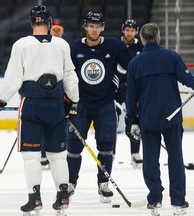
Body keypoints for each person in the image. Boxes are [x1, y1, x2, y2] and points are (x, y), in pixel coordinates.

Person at [0, 5, 79, 215]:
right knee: (58, 155)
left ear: (32, 22)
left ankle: (35, 199)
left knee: (31, 156)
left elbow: (13, 79)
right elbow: (70, 76)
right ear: (49, 22)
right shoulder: (61, 44)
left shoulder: (21, 45)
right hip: (56, 107)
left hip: (32, 105)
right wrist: (73, 101)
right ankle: (63, 197)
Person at [125, 23, 194, 216]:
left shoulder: (134, 63)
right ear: (158, 37)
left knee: (150, 160)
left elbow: (131, 96)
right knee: (175, 158)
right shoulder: (172, 56)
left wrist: (131, 118)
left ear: (142, 39)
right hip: (171, 117)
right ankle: (178, 201)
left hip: (148, 119)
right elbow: (188, 80)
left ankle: (155, 199)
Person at [66, 12, 132, 203]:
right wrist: (66, 98)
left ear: (102, 28)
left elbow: (132, 66)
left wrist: (124, 87)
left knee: (106, 146)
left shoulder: (114, 46)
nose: (94, 30)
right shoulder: (74, 48)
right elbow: (67, 73)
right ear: (85, 27)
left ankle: (103, 183)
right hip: (81, 104)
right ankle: (70, 183)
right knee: (74, 145)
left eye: (98, 26)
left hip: (105, 104)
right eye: (91, 26)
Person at [114, 19, 144, 168]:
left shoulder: (141, 46)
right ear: (123, 30)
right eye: (127, 30)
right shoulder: (115, 45)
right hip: (117, 89)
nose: (129, 33)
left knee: (135, 121)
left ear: (136, 31)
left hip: (134, 89)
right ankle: (110, 152)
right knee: (112, 121)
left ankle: (135, 153)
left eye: (132, 30)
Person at [40, 18, 65, 170]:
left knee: (58, 126)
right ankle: (43, 153)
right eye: (54, 29)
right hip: (43, 92)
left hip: (60, 93)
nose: (56, 31)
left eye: (59, 29)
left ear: (63, 31)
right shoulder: (42, 46)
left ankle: (56, 153)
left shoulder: (66, 47)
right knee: (43, 124)